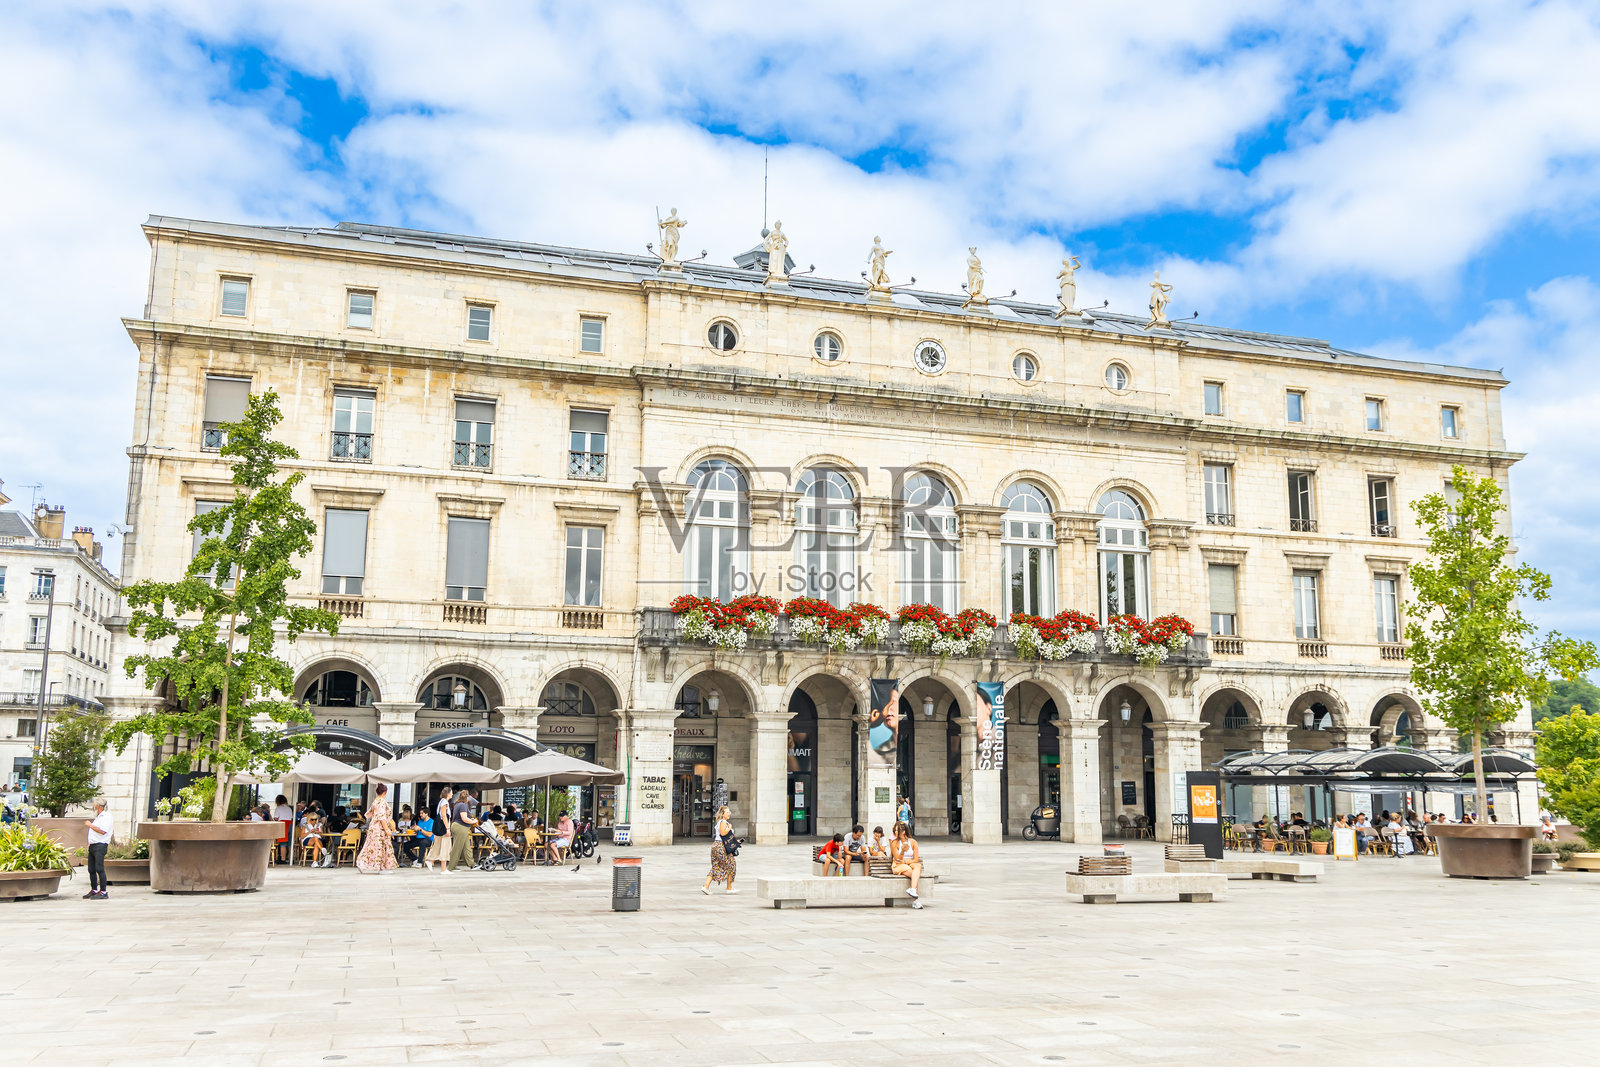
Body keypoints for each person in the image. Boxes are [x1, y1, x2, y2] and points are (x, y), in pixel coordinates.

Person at [355, 783, 398, 874]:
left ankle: (361, 863)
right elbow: (382, 817)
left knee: (370, 846)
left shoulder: (375, 801)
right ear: (385, 792)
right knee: (380, 847)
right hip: (380, 828)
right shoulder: (381, 802)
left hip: (374, 826)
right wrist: (387, 829)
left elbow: (370, 814)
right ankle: (381, 867)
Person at [701, 805, 738, 894]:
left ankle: (706, 886)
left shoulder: (721, 822)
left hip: (717, 846)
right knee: (731, 864)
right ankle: (729, 888)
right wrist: (729, 828)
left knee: (717, 866)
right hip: (721, 846)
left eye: (729, 812)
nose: (729, 813)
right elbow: (723, 833)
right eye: (727, 812)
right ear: (723, 814)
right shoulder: (724, 822)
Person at [890, 822, 923, 908]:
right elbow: (898, 859)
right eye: (895, 830)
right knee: (914, 875)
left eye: (898, 830)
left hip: (908, 863)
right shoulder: (894, 843)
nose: (896, 832)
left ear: (904, 831)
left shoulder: (913, 842)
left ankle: (912, 890)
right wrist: (902, 851)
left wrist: (905, 861)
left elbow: (915, 859)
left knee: (918, 866)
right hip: (898, 865)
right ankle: (916, 901)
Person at [84, 798, 112, 900]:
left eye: (95, 803)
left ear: (99, 806)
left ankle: (103, 892)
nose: (93, 805)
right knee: (91, 869)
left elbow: (103, 831)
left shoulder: (107, 816)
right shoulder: (99, 816)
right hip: (93, 845)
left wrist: (90, 825)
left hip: (100, 845)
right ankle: (94, 889)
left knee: (99, 868)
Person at [425, 787, 454, 874]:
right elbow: (444, 816)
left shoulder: (441, 801)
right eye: (451, 792)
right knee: (445, 846)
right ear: (448, 793)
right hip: (444, 826)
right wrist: (448, 828)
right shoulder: (445, 802)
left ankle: (431, 861)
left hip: (440, 826)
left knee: (437, 844)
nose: (452, 794)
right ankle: (443, 869)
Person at [449, 789, 479, 871]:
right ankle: (451, 867)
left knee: (466, 847)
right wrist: (473, 821)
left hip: (459, 827)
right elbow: (464, 818)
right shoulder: (463, 805)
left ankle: (472, 864)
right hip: (460, 827)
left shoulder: (457, 804)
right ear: (467, 797)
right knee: (457, 848)